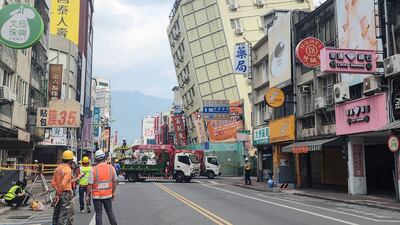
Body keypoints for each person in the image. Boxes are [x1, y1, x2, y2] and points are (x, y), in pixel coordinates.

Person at [51, 150, 83, 225]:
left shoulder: (58, 168)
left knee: (56, 214)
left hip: (58, 193)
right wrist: (60, 192)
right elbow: (64, 183)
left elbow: (53, 183)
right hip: (65, 194)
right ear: (71, 161)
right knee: (64, 215)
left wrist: (57, 192)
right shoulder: (67, 170)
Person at [88, 150, 118, 225]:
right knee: (110, 212)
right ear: (104, 158)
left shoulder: (93, 169)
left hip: (96, 196)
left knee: (98, 213)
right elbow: (115, 181)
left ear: (96, 160)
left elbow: (90, 184)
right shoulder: (111, 168)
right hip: (108, 195)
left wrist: (88, 195)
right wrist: (113, 193)